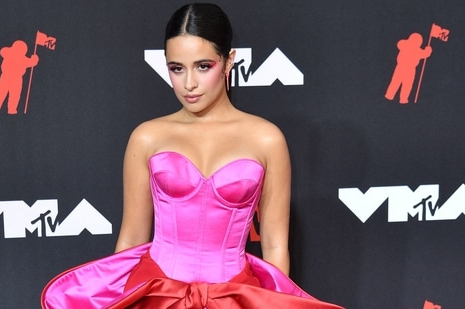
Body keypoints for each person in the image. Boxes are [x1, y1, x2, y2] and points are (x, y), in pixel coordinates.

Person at [42, 3, 344, 308]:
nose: (189, 84)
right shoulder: (147, 136)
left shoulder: (266, 139)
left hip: (234, 297)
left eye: (203, 66)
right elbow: (131, 239)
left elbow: (276, 245)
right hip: (155, 293)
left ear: (228, 62)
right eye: (177, 68)